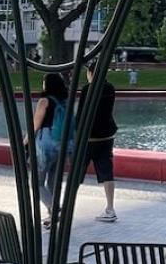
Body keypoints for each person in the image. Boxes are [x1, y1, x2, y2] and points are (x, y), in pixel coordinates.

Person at [25, 73, 72, 226]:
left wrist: (24, 142)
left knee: (36, 183)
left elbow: (35, 124)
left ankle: (55, 209)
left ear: (48, 84)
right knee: (53, 181)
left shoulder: (44, 101)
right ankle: (53, 216)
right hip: (62, 144)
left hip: (45, 144)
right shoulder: (64, 101)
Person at [77, 61, 118, 222]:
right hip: (107, 135)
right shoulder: (110, 88)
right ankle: (110, 208)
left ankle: (64, 208)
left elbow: (81, 114)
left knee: (77, 173)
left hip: (89, 137)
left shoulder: (88, 89)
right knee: (107, 171)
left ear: (91, 73)